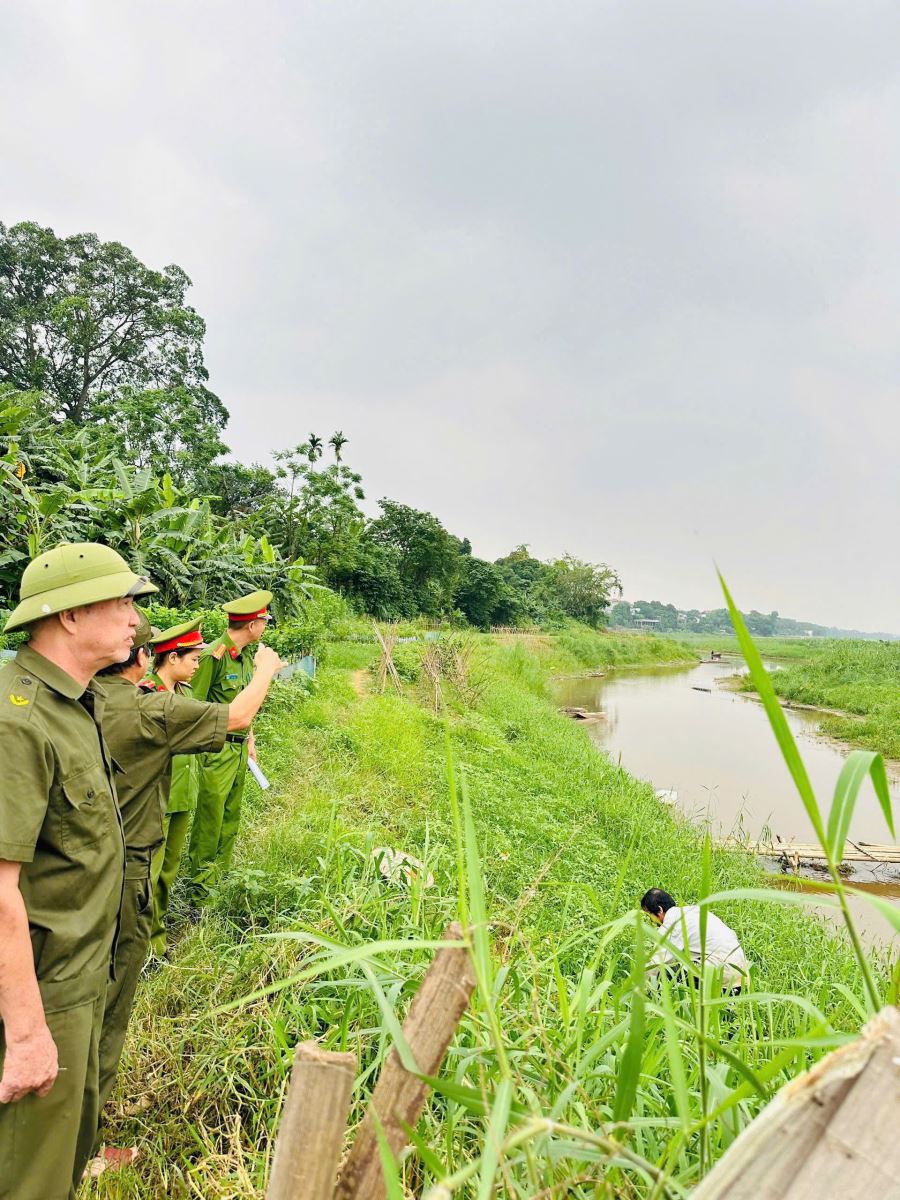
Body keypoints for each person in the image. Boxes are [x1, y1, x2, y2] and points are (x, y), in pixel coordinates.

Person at [91, 612, 283, 1161]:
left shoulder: (83, 699)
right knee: (104, 1006)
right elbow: (236, 714)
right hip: (126, 865)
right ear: (149, 658)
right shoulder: (145, 706)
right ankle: (84, 1145)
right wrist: (266, 670)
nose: (197, 662)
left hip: (96, 863)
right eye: (187, 656)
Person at [0, 542, 157, 1200]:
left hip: (83, 981)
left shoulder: (73, 704)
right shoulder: (18, 721)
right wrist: (27, 1035)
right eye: (122, 602)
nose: (135, 620)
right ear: (69, 615)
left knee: (61, 1164)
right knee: (30, 1178)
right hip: (44, 994)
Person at [186, 590, 275, 903]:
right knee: (210, 820)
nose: (265, 626)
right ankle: (199, 891)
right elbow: (192, 708)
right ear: (251, 625)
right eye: (264, 621)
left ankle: (218, 880)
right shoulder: (214, 657)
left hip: (238, 750)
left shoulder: (246, 656)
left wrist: (250, 738)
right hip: (215, 750)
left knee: (229, 817)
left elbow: (242, 703)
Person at [640, 888, 749, 992]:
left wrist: (639, 986)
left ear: (660, 910)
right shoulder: (693, 911)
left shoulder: (671, 924)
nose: (650, 921)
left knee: (664, 973)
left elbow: (656, 962)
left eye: (649, 915)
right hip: (741, 975)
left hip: (722, 976)